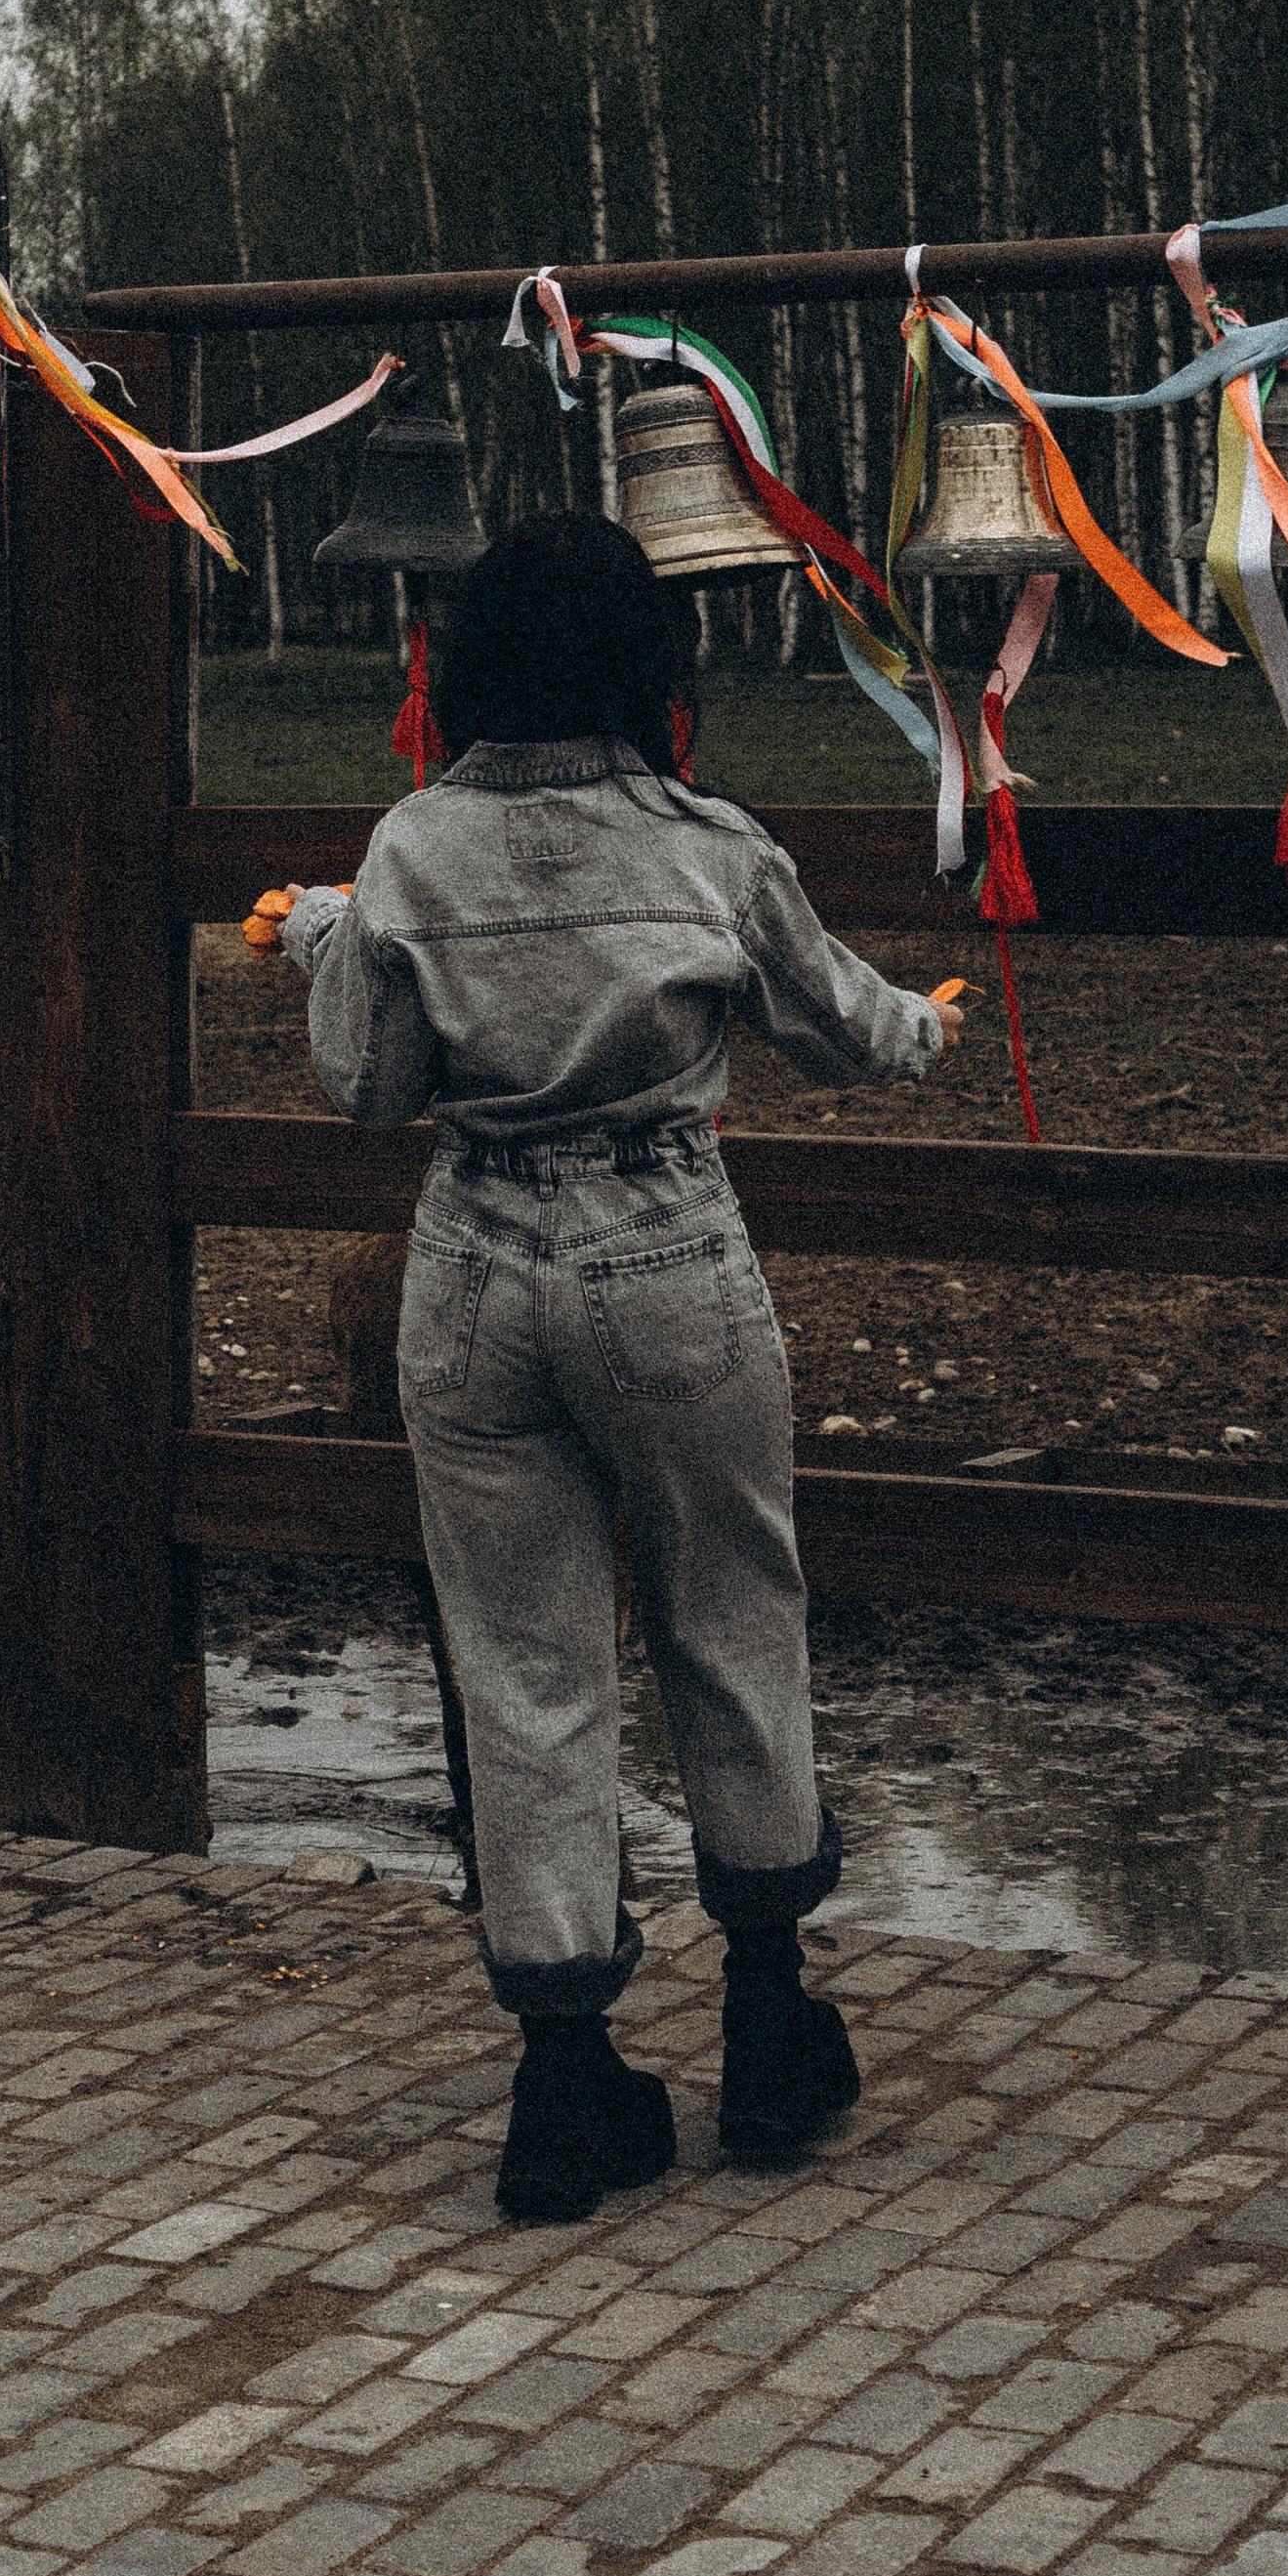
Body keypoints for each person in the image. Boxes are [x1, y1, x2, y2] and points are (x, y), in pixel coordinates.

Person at [273, 508, 961, 2223]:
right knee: (734, 1616)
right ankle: (770, 2030)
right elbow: (844, 1025)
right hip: (670, 1262)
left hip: (476, 1268)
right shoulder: (708, 843)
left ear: (471, 667)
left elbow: (367, 1087)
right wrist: (936, 1020)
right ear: (651, 669)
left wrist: (319, 940)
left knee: (524, 1670)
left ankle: (564, 2093)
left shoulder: (414, 851)